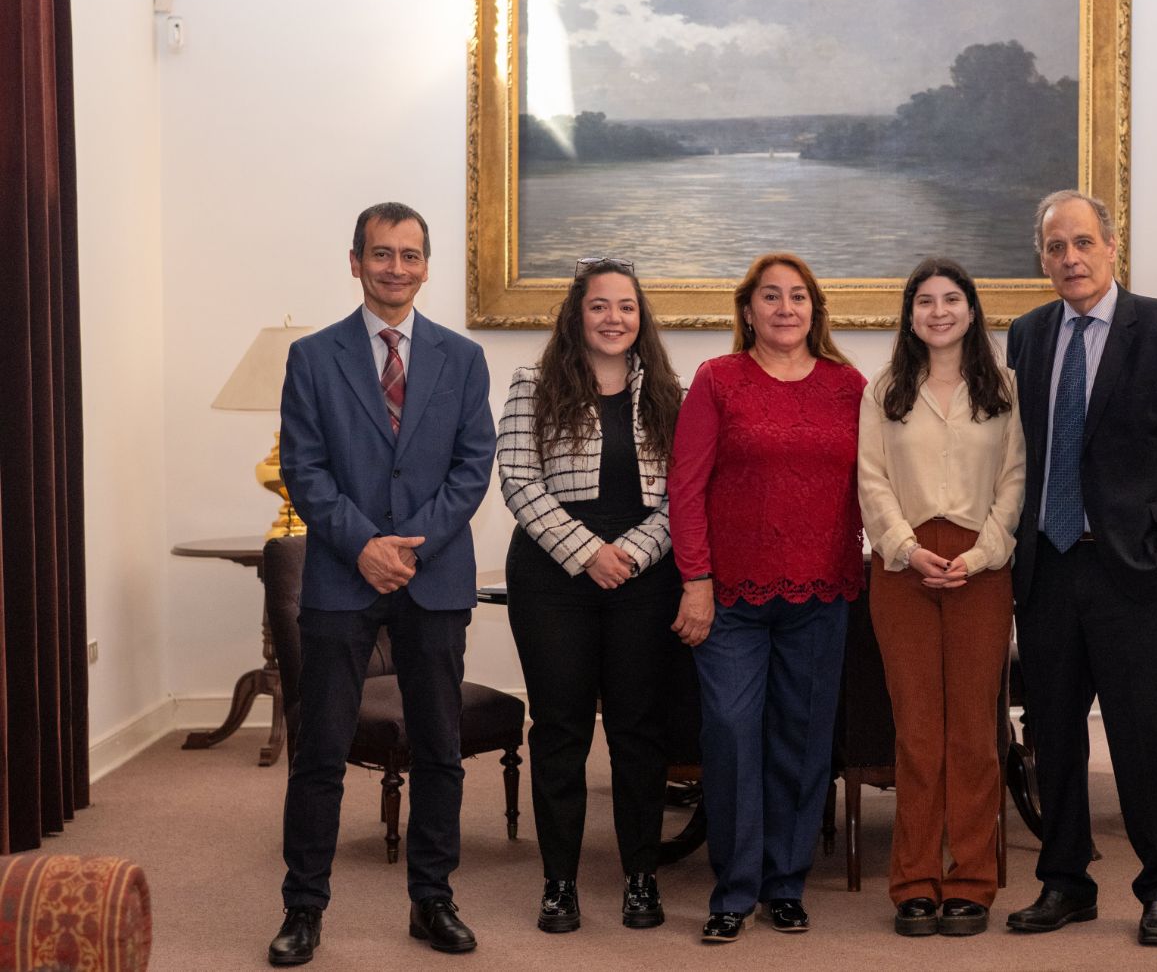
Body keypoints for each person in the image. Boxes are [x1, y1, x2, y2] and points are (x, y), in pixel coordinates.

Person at [270, 202, 496, 964]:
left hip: (433, 581)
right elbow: (303, 468)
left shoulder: (463, 359)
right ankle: (304, 907)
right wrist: (365, 545)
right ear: (355, 260)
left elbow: (472, 468)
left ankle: (432, 900)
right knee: (321, 753)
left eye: (409, 254)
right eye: (381, 253)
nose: (395, 267)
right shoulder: (312, 356)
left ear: (427, 265)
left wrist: (411, 549)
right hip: (341, 576)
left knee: (438, 748)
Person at [1004, 190, 1157, 947]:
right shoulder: (1029, 336)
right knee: (1055, 738)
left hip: (1134, 574)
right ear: (1042, 257)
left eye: (1082, 243)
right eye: (1055, 247)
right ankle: (1065, 881)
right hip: (1049, 572)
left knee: (1146, 740)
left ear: (1112, 245)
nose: (1070, 258)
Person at [668, 252, 867, 944]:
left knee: (803, 740)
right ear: (747, 310)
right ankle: (734, 888)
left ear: (816, 309)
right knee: (729, 734)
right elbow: (685, 489)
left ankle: (785, 884)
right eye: (771, 297)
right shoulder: (717, 381)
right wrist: (695, 580)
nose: (786, 308)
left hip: (824, 590)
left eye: (798, 297)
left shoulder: (851, 387)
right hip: (729, 600)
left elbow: (874, 485)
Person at [495, 257, 683, 933]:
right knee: (561, 728)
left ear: (642, 317)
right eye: (599, 306)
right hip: (553, 578)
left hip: (644, 575)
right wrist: (587, 553)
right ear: (577, 314)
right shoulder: (532, 383)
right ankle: (560, 883)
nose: (613, 319)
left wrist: (632, 552)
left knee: (637, 730)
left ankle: (640, 877)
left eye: (626, 307)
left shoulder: (670, 392)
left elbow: (687, 495)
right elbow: (518, 482)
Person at [857, 259, 1025, 938]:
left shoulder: (1004, 388)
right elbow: (871, 480)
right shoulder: (886, 390)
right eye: (924, 301)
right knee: (918, 733)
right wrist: (904, 546)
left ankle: (972, 882)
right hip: (903, 570)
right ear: (910, 314)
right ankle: (916, 882)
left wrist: (981, 554)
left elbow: (1015, 482)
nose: (937, 311)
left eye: (950, 299)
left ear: (971, 309)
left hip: (982, 568)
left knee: (974, 735)